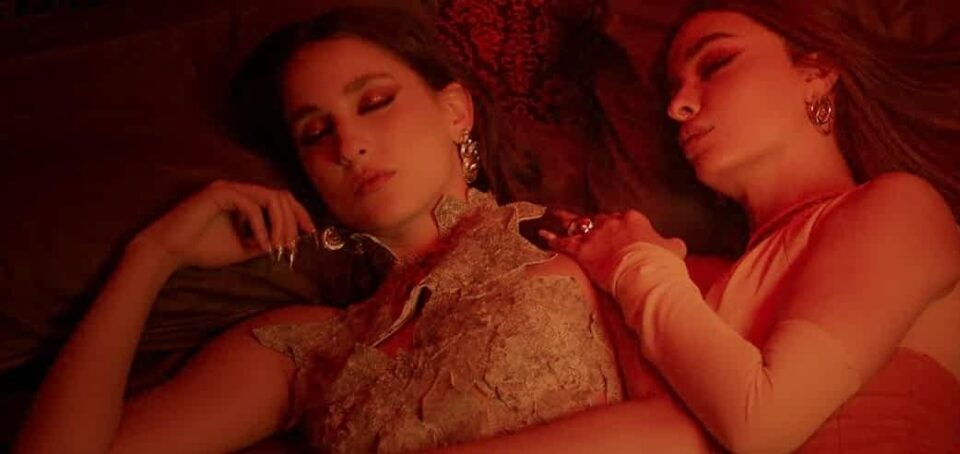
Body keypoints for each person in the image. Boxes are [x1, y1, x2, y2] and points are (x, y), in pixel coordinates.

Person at [14, 7, 631, 453]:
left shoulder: (576, 239)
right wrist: (153, 255)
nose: (348, 144)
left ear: (455, 110)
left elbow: (687, 423)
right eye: (315, 132)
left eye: (374, 102)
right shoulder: (304, 347)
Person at [538, 1, 960, 452]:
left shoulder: (901, 209)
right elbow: (665, 432)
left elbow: (765, 421)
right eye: (673, 88)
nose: (677, 106)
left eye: (716, 64)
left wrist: (633, 263)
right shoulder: (687, 276)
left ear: (816, 73)